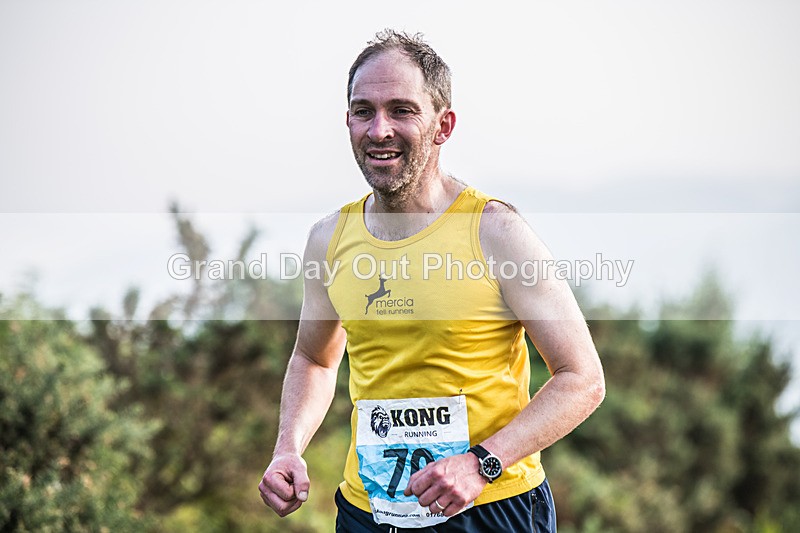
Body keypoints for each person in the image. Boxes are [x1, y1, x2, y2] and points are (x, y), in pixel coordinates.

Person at [258, 30, 605, 532]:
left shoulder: (496, 231)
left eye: (401, 110)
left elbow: (582, 378)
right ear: (348, 121)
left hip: (490, 509)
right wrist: (288, 447)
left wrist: (481, 463)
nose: (379, 129)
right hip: (368, 513)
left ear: (443, 125)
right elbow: (314, 359)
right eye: (363, 111)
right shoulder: (328, 239)